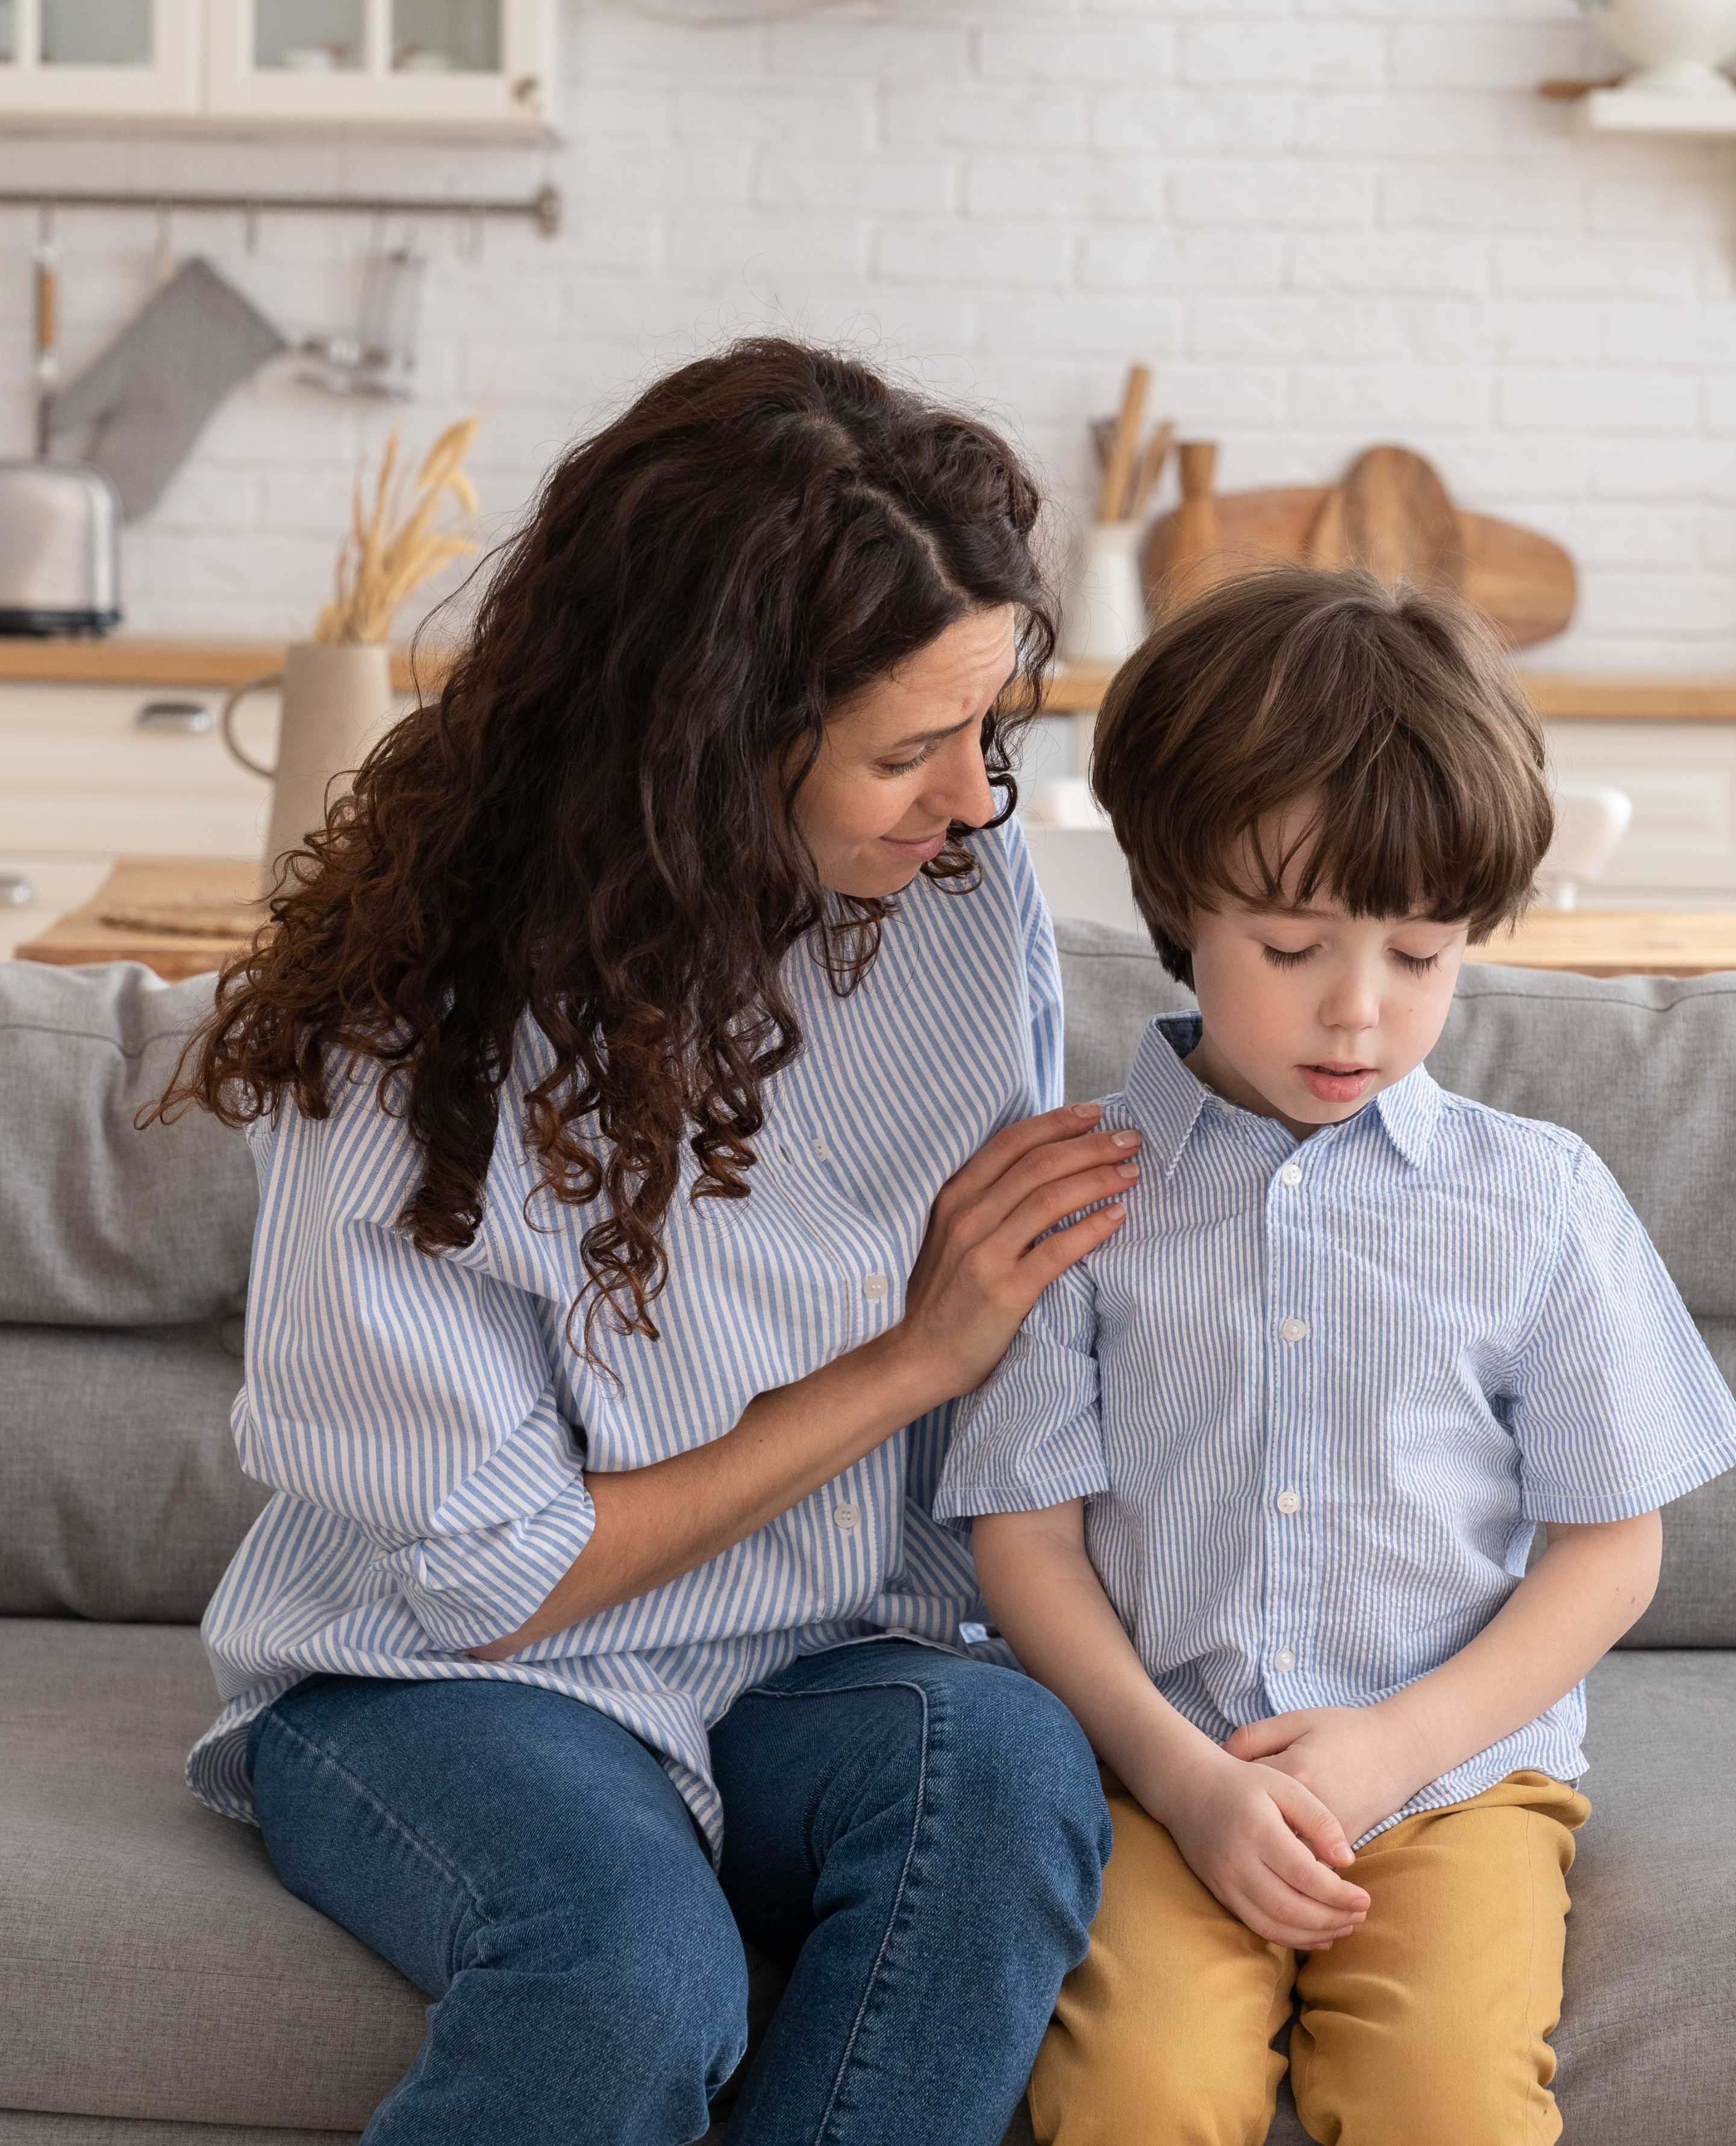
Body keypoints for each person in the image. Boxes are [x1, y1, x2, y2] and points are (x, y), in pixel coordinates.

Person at [156, 338, 1125, 2146]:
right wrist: (909, 1359)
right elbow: (495, 1577)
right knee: (628, 1974)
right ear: (705, 733)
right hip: (452, 1678)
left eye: (990, 732)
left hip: (830, 1658)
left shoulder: (962, 901)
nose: (978, 803)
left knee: (1006, 1773)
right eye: (910, 751)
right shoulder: (414, 1026)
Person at [933, 564, 1736, 2146]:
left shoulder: (1536, 1197)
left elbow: (1613, 1547)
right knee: (1133, 2096)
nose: (1360, 1010)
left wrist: (1401, 1739)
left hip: (1452, 1787)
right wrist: (1181, 1779)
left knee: (1446, 2107)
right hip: (1166, 1779)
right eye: (1296, 942)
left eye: (1422, 953)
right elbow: (1023, 1542)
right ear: (1180, 904)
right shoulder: (1083, 1190)